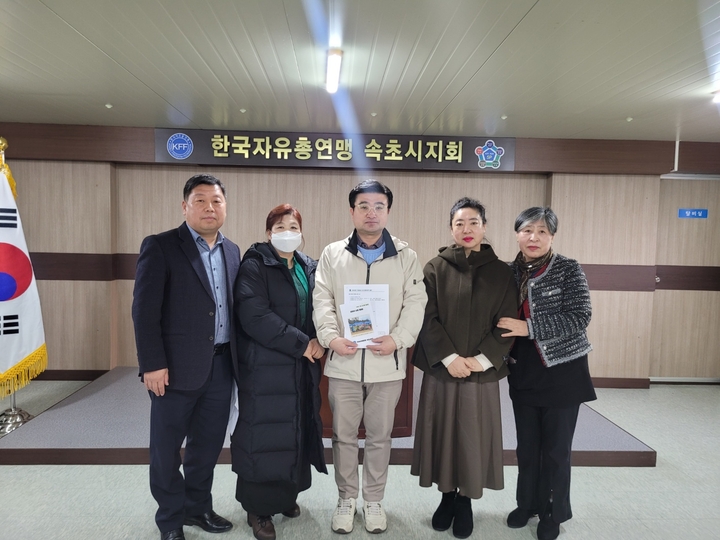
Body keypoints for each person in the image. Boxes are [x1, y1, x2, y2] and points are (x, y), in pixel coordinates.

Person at [313, 179, 427, 534]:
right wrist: (331, 338)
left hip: (386, 365)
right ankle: (346, 499)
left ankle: (374, 500)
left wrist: (397, 339)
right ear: (352, 211)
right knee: (343, 436)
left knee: (380, 437)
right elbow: (322, 300)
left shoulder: (406, 256)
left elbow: (416, 303)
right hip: (344, 363)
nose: (371, 213)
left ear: (388, 211)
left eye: (379, 206)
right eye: (363, 206)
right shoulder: (333, 254)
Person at [132, 174, 241, 540]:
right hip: (173, 369)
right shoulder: (161, 246)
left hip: (221, 366)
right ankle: (170, 520)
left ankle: (198, 508)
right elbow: (144, 311)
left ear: (225, 206)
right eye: (200, 200)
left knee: (206, 447)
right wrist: (151, 363)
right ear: (185, 206)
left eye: (216, 201)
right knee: (166, 450)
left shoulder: (232, 251)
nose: (210, 207)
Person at [410, 197, 518, 539]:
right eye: (460, 223)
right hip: (443, 369)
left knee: (472, 437)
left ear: (484, 227)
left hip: (482, 371)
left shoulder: (502, 272)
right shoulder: (434, 268)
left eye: (473, 222)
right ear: (451, 228)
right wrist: (449, 358)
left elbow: (508, 322)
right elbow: (426, 317)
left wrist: (481, 359)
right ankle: (446, 497)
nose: (467, 229)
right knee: (441, 432)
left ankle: (466, 500)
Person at [497, 207, 596, 540]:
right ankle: (527, 504)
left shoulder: (568, 268)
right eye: (527, 230)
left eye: (542, 231)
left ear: (552, 236)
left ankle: (553, 511)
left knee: (556, 450)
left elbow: (580, 316)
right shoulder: (507, 272)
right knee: (527, 446)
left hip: (563, 371)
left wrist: (530, 327)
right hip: (523, 369)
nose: (534, 238)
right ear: (517, 234)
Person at [232, 204, 327, 540]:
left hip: (300, 366)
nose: (288, 232)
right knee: (263, 434)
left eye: (293, 227)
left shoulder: (308, 266)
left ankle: (285, 496)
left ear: (302, 232)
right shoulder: (255, 265)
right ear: (268, 232)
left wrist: (321, 338)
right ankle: (257, 509)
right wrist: (303, 344)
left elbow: (321, 308)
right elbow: (255, 316)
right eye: (280, 227)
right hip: (265, 366)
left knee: (294, 429)